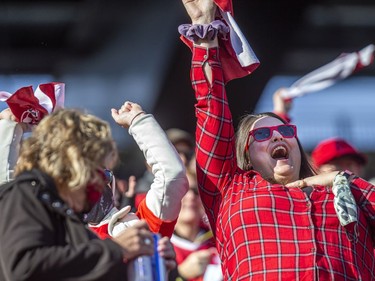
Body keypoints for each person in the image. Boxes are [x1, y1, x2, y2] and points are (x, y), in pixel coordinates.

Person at [180, 0, 375, 280]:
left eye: (285, 131)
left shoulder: (343, 192)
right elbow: (210, 109)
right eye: (261, 134)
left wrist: (345, 180)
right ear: (245, 156)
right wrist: (205, 34)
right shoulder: (230, 189)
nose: (275, 135)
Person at [0, 105, 172, 280]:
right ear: (74, 164)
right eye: (97, 172)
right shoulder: (26, 194)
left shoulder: (68, 217)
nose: (100, 184)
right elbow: (23, 267)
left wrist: (150, 265)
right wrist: (118, 249)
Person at [88, 101, 189, 240]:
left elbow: (171, 176)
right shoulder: (55, 240)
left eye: (102, 174)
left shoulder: (135, 229)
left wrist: (138, 121)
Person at [169, 169, 222, 281]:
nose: (191, 196)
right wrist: (181, 274)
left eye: (195, 191)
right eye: (183, 191)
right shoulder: (161, 246)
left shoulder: (220, 241)